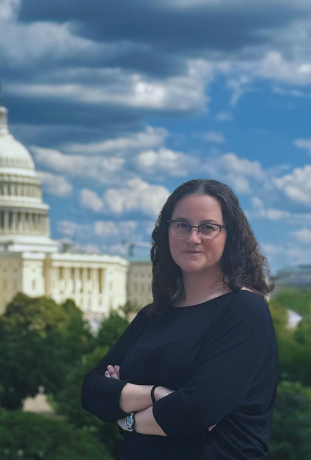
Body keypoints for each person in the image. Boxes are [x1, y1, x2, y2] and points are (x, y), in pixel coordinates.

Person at [81, 179, 278, 460]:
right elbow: (92, 391)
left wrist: (128, 417)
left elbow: (197, 411)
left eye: (208, 227)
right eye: (182, 225)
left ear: (229, 236)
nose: (193, 238)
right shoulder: (153, 315)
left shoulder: (245, 310)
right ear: (167, 232)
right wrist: (158, 394)